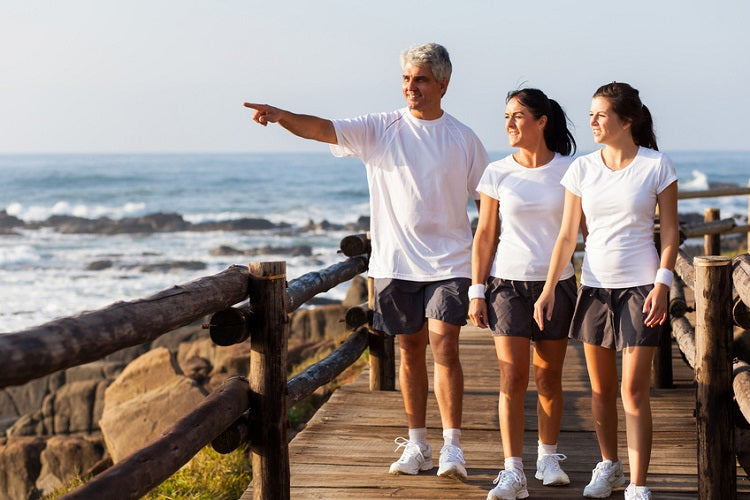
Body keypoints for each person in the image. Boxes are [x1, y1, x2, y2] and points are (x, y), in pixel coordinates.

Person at [243, 42, 489, 481]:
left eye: (421, 80)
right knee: (410, 351)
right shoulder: (381, 128)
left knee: (445, 347)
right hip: (395, 264)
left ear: (443, 85)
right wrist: (282, 116)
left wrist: (491, 269)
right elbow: (322, 128)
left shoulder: (464, 138)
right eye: (406, 79)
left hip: (451, 263)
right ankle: (418, 445)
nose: (411, 87)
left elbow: (487, 203)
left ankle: (453, 448)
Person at [533, 82, 678, 500]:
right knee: (600, 390)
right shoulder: (580, 169)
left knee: (632, 390)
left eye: (600, 114)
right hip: (594, 287)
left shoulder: (656, 165)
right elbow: (566, 238)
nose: (592, 121)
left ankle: (638, 483)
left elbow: (669, 231)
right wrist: (547, 290)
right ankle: (609, 465)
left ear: (626, 120)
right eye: (591, 113)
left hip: (640, 288)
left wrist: (663, 284)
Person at [468, 88, 577, 500]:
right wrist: (477, 290)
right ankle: (512, 470)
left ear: (542, 120)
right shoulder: (497, 172)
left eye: (517, 116)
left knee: (548, 377)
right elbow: (484, 235)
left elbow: (584, 231)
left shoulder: (571, 170)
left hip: (558, 284)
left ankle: (547, 456)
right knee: (512, 377)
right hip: (506, 286)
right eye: (506, 116)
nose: (509, 124)